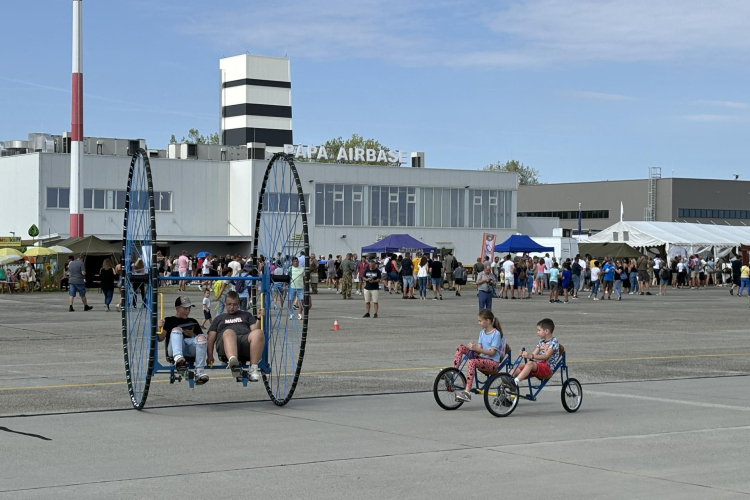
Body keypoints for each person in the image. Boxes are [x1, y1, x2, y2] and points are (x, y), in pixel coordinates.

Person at [207, 291, 264, 382]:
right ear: (225, 304)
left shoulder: (246, 315)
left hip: (245, 343)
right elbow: (210, 339)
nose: (232, 307)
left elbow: (254, 331)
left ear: (238, 304)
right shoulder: (219, 318)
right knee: (229, 332)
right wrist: (210, 356)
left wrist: (259, 318)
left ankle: (253, 369)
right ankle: (234, 363)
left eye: (235, 304)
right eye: (229, 304)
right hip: (226, 344)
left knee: (259, 333)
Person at [453, 308, 506, 402]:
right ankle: (453, 372)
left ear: (488, 321)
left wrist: (477, 349)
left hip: (492, 363)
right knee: (461, 347)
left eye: (480, 321)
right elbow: (479, 350)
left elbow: (492, 352)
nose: (479, 323)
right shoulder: (482, 333)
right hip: (483, 359)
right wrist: (473, 347)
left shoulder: (496, 334)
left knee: (472, 362)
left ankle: (467, 392)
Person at [157, 296, 209, 385]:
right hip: (174, 349)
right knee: (176, 330)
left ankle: (199, 371)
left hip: (190, 348)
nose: (188, 311)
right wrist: (159, 327)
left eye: (189, 308)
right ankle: (178, 358)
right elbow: (160, 338)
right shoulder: (169, 320)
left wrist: (192, 334)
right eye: (185, 308)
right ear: (177, 308)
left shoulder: (193, 321)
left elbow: (201, 341)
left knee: (202, 338)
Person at [510, 318, 560, 389]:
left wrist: (531, 356)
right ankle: (507, 393)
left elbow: (546, 356)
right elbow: (533, 354)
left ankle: (515, 381)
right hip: (538, 366)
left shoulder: (554, 342)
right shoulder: (541, 342)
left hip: (547, 368)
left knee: (530, 364)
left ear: (546, 331)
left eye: (539, 330)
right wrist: (525, 354)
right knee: (513, 371)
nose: (537, 332)